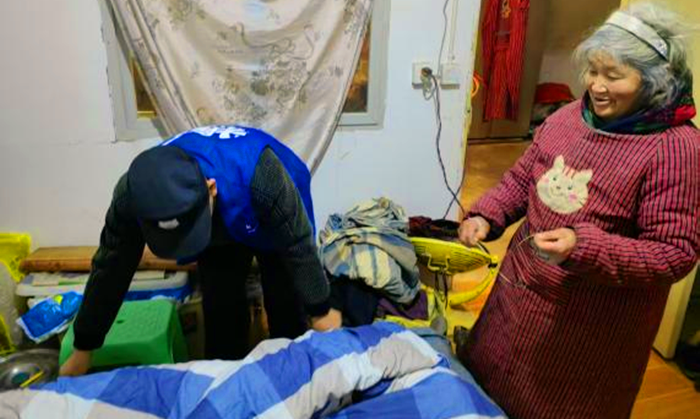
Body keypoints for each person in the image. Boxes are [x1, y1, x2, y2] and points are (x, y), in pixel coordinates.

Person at [458, 3, 699, 418]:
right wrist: (486, 215)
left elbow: (673, 253)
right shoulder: (569, 117)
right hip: (518, 299)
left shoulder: (676, 148)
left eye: (613, 76)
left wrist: (581, 246)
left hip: (590, 328)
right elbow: (523, 178)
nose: (596, 86)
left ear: (654, 80)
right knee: (489, 388)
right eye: (592, 70)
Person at [60, 125, 341, 376]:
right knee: (221, 313)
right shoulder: (132, 194)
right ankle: (226, 386)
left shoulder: (264, 177)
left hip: (267, 211)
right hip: (213, 222)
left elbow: (297, 244)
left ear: (210, 189)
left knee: (286, 309)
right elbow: (111, 268)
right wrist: (84, 346)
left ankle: (289, 381)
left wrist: (320, 309)